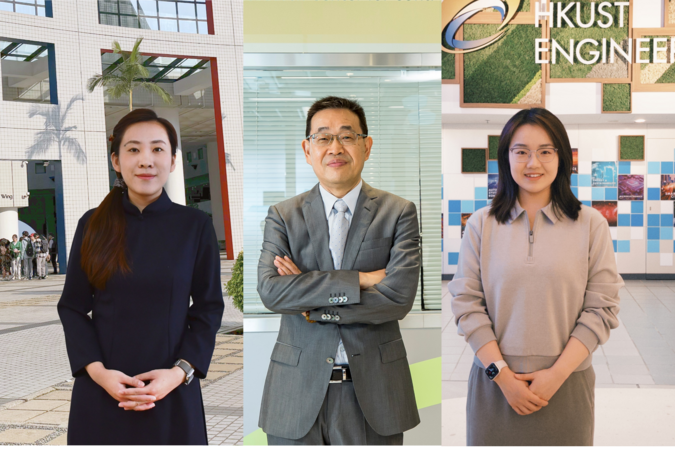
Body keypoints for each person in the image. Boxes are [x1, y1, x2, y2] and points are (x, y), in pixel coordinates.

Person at [449, 108, 623, 447]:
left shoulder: (590, 224)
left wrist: (555, 376)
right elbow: (466, 304)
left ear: (562, 158)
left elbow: (602, 308)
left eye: (545, 151)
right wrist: (503, 378)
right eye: (521, 152)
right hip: (495, 385)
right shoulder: (481, 225)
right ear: (506, 158)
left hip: (567, 385)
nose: (533, 163)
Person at [257, 96, 421, 446]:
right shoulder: (284, 216)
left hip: (374, 395)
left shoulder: (399, 212)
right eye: (323, 137)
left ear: (366, 146)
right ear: (307, 148)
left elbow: (398, 299)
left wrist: (310, 304)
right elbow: (271, 291)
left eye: (347, 136)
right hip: (295, 394)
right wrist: (360, 280)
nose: (335, 147)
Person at [57, 108, 224, 445]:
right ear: (116, 161)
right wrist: (99, 374)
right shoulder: (92, 225)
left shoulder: (195, 226)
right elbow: (72, 307)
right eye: (133, 149)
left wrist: (180, 373)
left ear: (173, 160)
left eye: (158, 149)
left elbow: (208, 309)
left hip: (172, 391)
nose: (146, 160)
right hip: (103, 393)